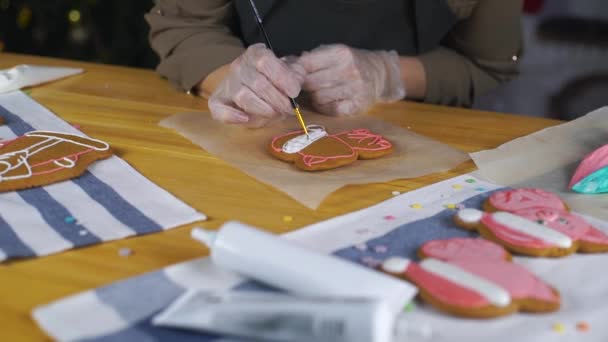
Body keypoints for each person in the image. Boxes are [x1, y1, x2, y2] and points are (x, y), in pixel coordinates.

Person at [146, 0, 522, 127]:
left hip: (413, 163)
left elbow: (486, 66)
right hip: (246, 144)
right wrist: (233, 78)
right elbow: (184, 26)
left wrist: (387, 74)